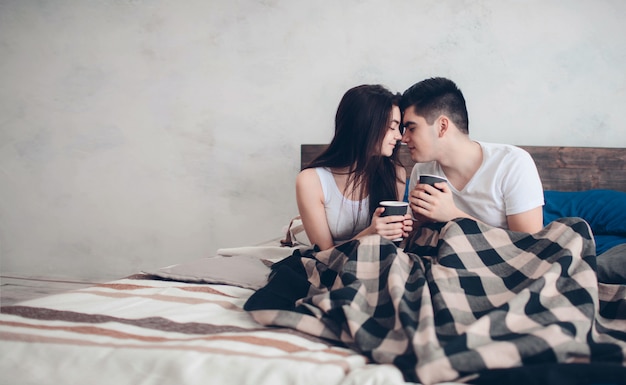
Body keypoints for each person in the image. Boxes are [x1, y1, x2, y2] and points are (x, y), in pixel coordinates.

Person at [400, 77, 544, 233]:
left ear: (442, 126)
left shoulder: (512, 163)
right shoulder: (422, 170)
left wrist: (453, 215)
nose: (404, 138)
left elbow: (529, 245)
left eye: (411, 128)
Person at [296, 84, 413, 250]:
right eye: (392, 127)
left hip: (380, 259)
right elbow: (323, 255)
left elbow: (392, 245)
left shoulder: (395, 174)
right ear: (365, 125)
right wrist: (370, 233)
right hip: (334, 267)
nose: (399, 136)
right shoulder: (311, 181)